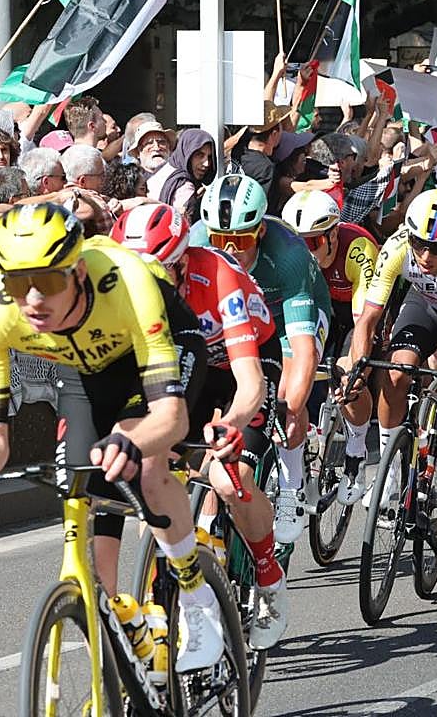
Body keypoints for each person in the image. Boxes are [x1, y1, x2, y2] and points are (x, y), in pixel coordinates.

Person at [0, 203, 225, 671]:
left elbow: (170, 419)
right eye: (15, 284)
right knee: (81, 483)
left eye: (47, 282)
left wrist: (133, 440)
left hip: (158, 348)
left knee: (146, 464)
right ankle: (120, 635)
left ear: (79, 272)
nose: (31, 299)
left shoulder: (127, 281)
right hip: (82, 370)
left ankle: (195, 592)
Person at [111, 202, 289, 649]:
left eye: (156, 273)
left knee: (232, 481)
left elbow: (250, 384)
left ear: (182, 261)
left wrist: (228, 425)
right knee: (154, 470)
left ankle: (269, 575)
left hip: (240, 360)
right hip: (186, 366)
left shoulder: (218, 276)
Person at [345, 189, 437, 561]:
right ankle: (390, 469)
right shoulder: (396, 247)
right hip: (424, 307)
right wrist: (359, 368)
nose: (426, 256)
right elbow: (368, 319)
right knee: (395, 374)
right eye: (420, 245)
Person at [194, 174, 331, 545]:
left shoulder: (288, 255)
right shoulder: (196, 243)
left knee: (288, 391)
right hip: (236, 319)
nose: (230, 250)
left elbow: (302, 351)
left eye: (240, 240)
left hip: (289, 318)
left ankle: (292, 482)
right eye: (221, 240)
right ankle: (207, 522)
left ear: (259, 231)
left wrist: (290, 406)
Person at [281, 189, 379, 504]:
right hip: (319, 308)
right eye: (298, 243)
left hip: (357, 313)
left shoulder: (357, 249)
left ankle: (356, 450)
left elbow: (363, 321)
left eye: (313, 242)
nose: (305, 252)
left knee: (348, 375)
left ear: (333, 233)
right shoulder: (291, 258)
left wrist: (351, 364)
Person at [150, 129, 215, 221]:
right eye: (199, 155)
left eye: (209, 157)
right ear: (187, 152)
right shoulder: (185, 186)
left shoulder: (164, 167)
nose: (206, 163)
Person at [236, 102, 291, 198]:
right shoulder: (266, 168)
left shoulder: (238, 150)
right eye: (281, 126)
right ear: (274, 134)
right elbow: (263, 207)